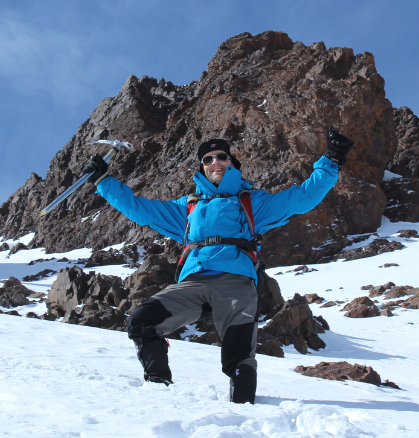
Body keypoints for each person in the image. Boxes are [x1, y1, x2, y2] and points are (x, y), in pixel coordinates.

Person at [80, 127, 354, 403]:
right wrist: (103, 180)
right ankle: (158, 394)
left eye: (221, 156)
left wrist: (331, 160)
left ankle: (244, 412)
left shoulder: (252, 203)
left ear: (231, 162)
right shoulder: (187, 208)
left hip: (235, 281)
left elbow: (303, 197)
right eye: (208, 159)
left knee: (238, 350)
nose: (215, 163)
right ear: (202, 167)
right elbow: (139, 209)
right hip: (193, 282)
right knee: (142, 320)